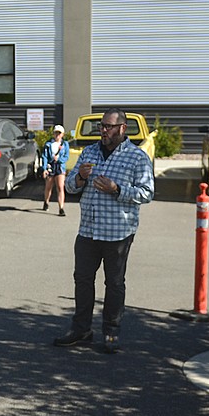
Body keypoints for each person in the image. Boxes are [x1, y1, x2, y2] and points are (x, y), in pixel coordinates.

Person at [54, 109, 153, 354]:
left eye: (109, 126)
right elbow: (69, 186)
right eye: (102, 126)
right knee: (83, 281)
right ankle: (81, 329)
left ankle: (111, 332)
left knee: (115, 283)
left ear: (122, 128)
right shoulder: (89, 153)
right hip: (88, 230)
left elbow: (147, 193)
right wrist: (79, 178)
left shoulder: (136, 157)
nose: (104, 131)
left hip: (118, 233)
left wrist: (117, 188)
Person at [41, 124, 70, 215]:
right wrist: (44, 168)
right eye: (56, 133)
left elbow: (66, 156)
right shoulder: (48, 144)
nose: (57, 135)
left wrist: (60, 160)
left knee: (60, 187)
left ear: (62, 134)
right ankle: (46, 202)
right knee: (48, 186)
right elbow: (44, 156)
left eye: (59, 133)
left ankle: (61, 208)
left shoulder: (65, 144)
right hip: (51, 166)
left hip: (60, 166)